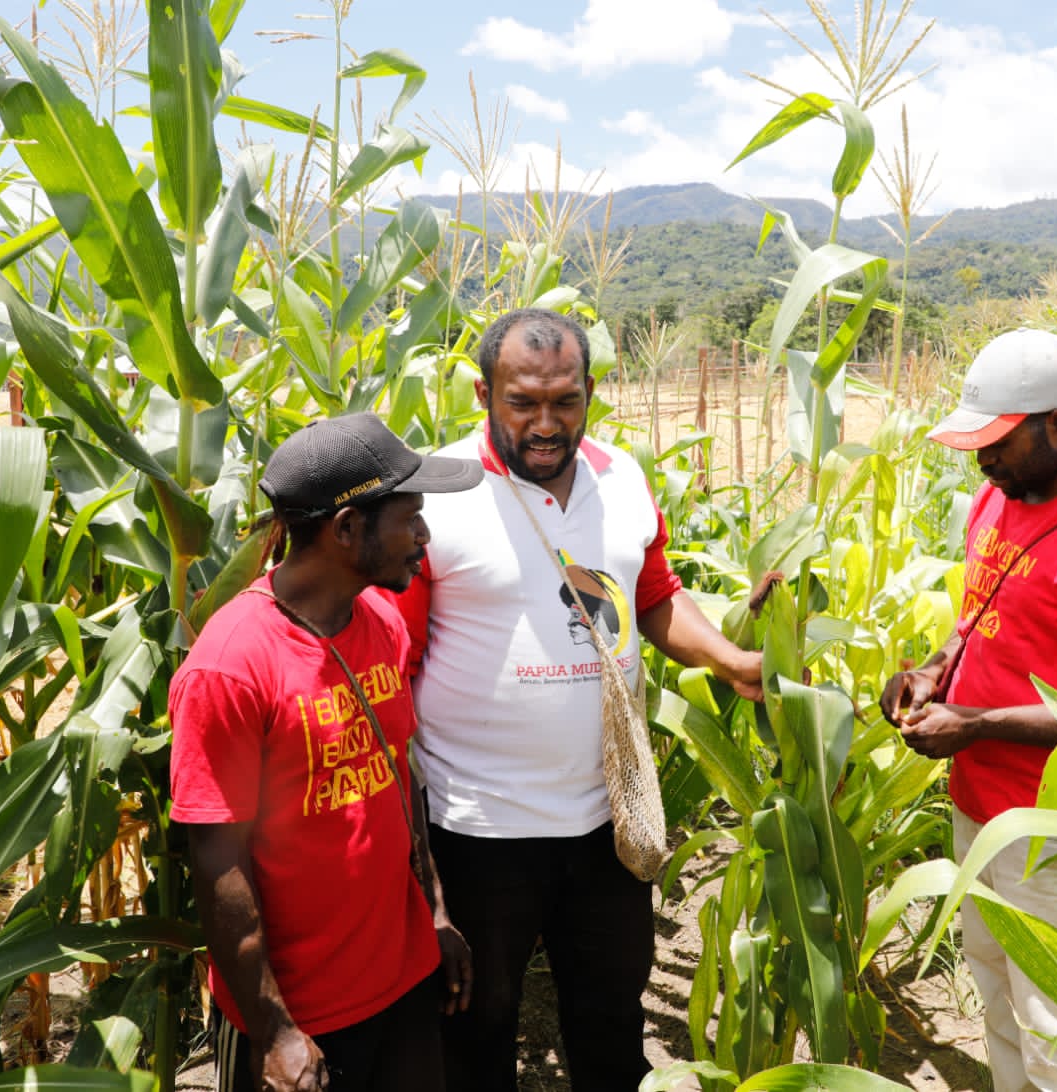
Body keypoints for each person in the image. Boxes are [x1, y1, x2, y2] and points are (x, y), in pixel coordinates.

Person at [390, 307, 764, 1091]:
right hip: (476, 826)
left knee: (610, 1025)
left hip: (607, 822)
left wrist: (730, 660)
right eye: (522, 402)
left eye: (565, 401)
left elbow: (653, 594)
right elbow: (394, 658)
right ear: (483, 394)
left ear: (591, 390)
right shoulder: (436, 495)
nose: (545, 424)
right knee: (477, 1034)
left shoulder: (621, 477)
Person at [879, 329, 1057, 1091]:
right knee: (1000, 998)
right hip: (982, 806)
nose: (982, 461)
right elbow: (980, 614)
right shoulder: (1000, 496)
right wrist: (933, 672)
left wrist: (976, 726)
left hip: (1056, 830)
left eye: (998, 443)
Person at [170, 414, 484, 1092]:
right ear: (346, 529)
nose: (425, 537)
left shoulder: (381, 619)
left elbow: (397, 773)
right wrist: (273, 1029)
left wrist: (434, 911)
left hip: (403, 981)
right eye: (411, 518)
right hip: (301, 1015)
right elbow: (218, 860)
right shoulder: (230, 667)